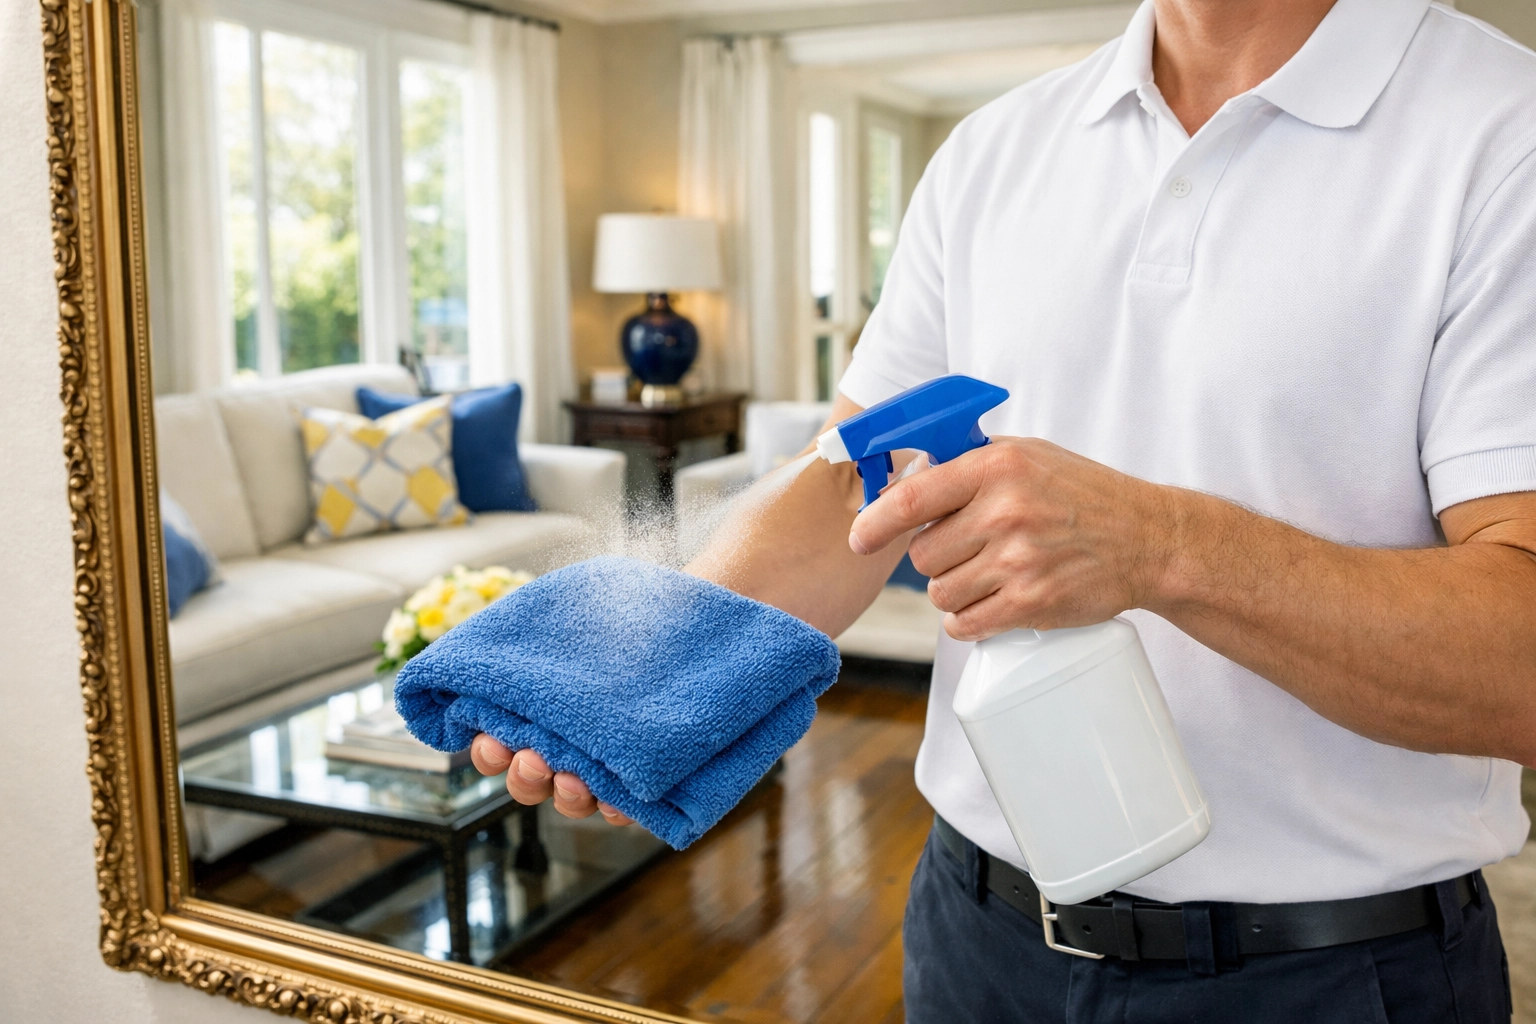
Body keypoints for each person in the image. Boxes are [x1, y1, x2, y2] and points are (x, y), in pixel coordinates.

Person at [472, 0, 1536, 1018]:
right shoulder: (995, 153)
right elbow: (855, 484)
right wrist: (655, 672)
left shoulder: (1499, 132)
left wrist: (1162, 545)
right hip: (976, 940)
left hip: (1332, 979)